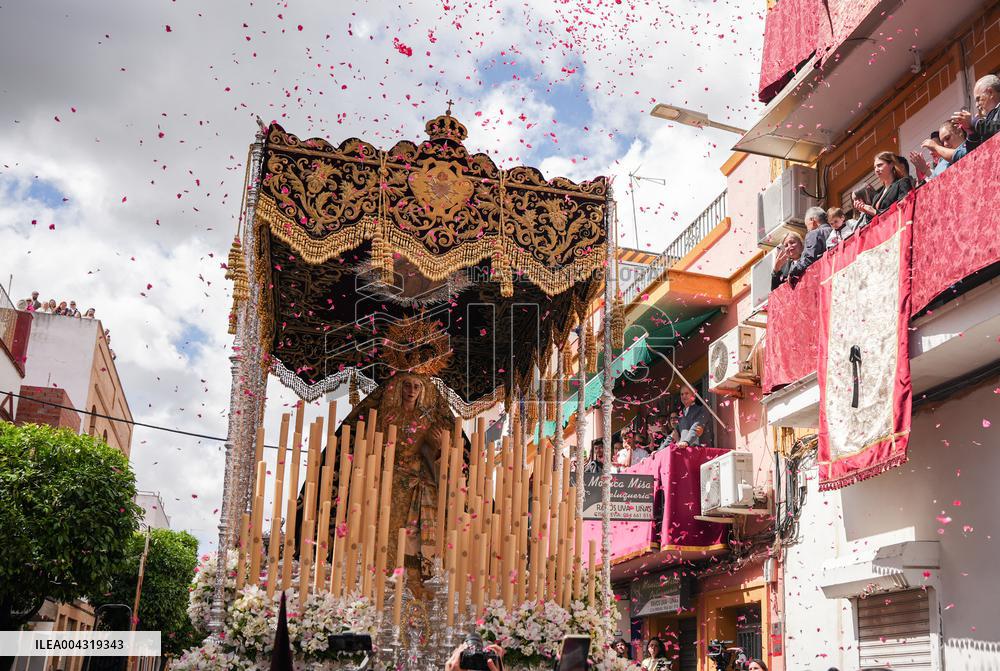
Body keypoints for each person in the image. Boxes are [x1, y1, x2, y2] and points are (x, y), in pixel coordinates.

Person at [375, 373, 452, 576]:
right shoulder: (388, 416)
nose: (411, 391)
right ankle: (388, 572)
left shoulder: (426, 420)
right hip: (391, 478)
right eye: (407, 385)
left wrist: (439, 447)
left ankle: (414, 576)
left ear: (423, 391)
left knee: (414, 531)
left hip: (418, 480)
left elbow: (433, 453)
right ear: (399, 388)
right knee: (389, 527)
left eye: (417, 387)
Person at [853, 151, 913, 226]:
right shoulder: (876, 197)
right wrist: (866, 211)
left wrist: (875, 212)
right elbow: (872, 224)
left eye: (880, 165)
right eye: (875, 167)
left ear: (891, 165)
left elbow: (904, 208)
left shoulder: (903, 183)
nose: (876, 170)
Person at [951, 74, 1000, 155]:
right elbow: (974, 155)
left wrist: (975, 123)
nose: (977, 105)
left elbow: (997, 130)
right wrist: (971, 131)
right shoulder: (986, 121)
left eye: (978, 99)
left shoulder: (984, 123)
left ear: (990, 92)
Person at [787, 206, 832, 279]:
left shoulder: (814, 233)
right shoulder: (835, 231)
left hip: (822, 276)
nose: (807, 229)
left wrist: (792, 272)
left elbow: (808, 258)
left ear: (812, 220)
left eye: (806, 225)